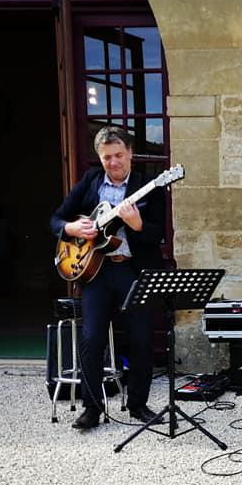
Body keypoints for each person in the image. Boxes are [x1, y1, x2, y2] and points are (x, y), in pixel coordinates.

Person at [50, 126, 168, 430]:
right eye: (106, 158)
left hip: (133, 269)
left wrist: (138, 225)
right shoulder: (90, 181)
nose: (113, 162)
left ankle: (139, 405)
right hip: (96, 272)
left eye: (118, 155)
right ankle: (92, 408)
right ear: (99, 158)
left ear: (130, 153)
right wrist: (72, 229)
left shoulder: (151, 186)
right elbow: (56, 219)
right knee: (92, 338)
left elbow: (159, 234)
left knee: (141, 339)